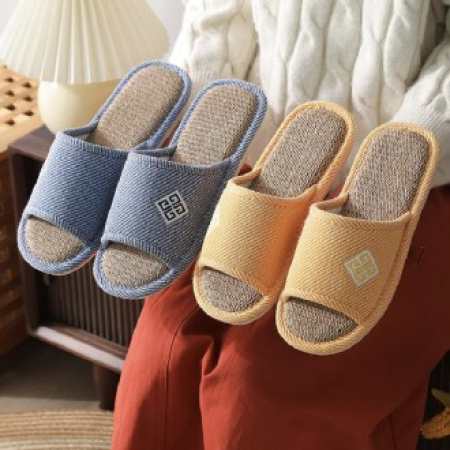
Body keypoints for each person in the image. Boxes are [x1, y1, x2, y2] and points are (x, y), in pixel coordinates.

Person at [112, 1, 450, 448]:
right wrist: (205, 115)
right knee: (162, 354)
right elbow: (218, 16)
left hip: (399, 194)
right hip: (262, 170)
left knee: (256, 392)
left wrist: (411, 145)